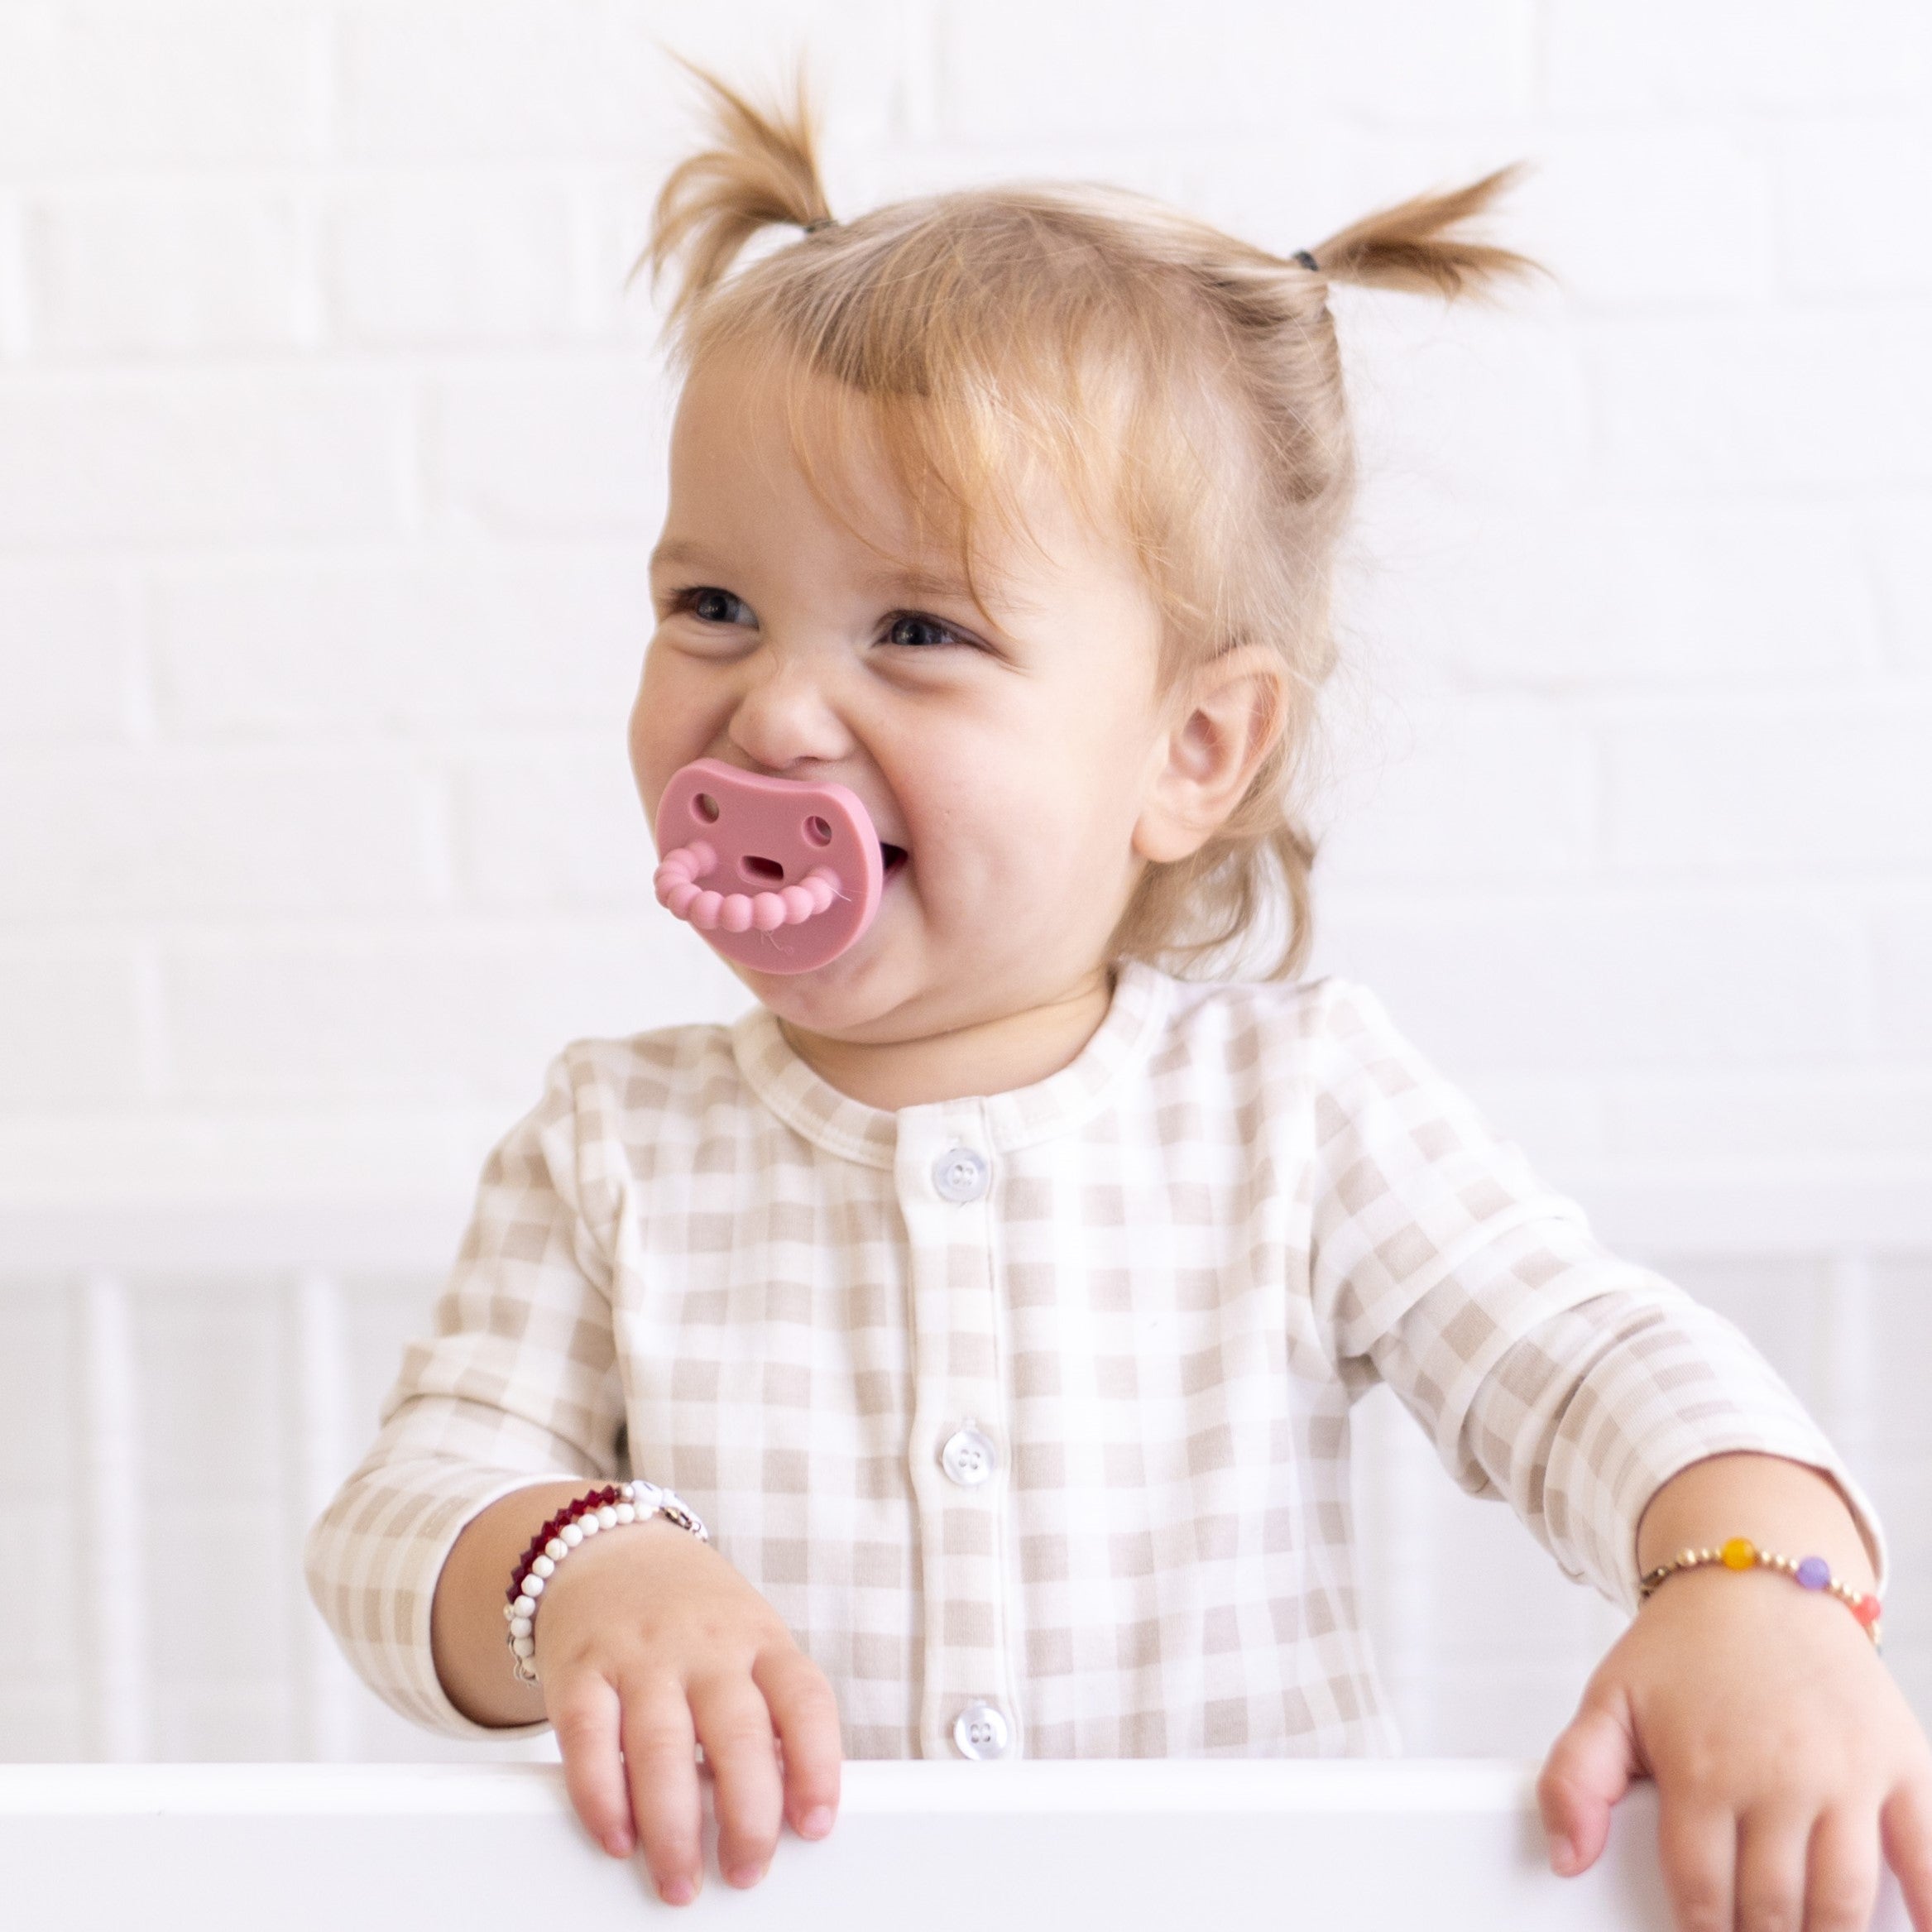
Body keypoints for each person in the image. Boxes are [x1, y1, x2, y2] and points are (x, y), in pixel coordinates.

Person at [306, 67, 1932, 1930]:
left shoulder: (1295, 1109)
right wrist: (578, 1565)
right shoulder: (613, 1143)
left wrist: (1755, 1589)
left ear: (1193, 748)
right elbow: (398, 1511)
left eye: (916, 631)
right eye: (712, 607)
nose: (766, 714)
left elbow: (1587, 1359)